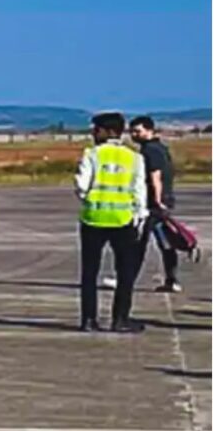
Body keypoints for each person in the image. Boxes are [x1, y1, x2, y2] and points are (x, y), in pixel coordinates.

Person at [74, 112, 146, 333]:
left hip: (93, 218)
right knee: (125, 273)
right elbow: (138, 190)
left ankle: (88, 320)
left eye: (96, 129)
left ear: (109, 131)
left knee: (89, 272)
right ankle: (120, 319)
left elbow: (81, 185)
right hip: (122, 220)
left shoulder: (92, 155)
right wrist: (138, 215)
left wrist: (90, 198)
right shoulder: (134, 157)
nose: (93, 134)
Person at [129, 115, 181, 293]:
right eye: (132, 131)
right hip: (163, 201)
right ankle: (171, 279)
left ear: (149, 130)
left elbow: (155, 176)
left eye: (138, 131)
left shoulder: (150, 150)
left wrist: (157, 201)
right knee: (165, 242)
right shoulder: (160, 148)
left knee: (138, 241)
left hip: (154, 204)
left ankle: (127, 278)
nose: (134, 135)